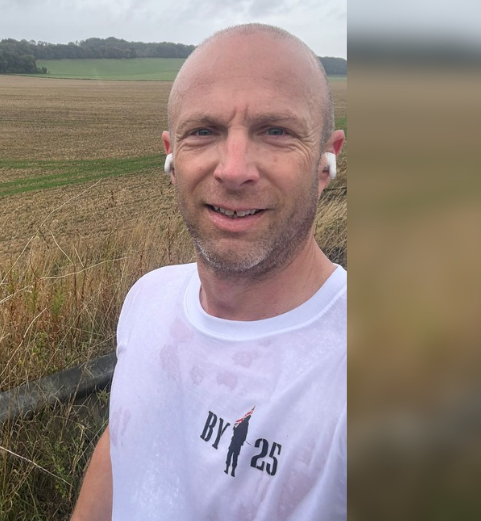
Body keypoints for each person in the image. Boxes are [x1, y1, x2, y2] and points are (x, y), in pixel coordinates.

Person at [71, 23, 346, 521]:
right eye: (204, 132)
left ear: (326, 163)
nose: (234, 169)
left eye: (276, 131)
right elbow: (122, 445)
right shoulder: (147, 299)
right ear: (172, 158)